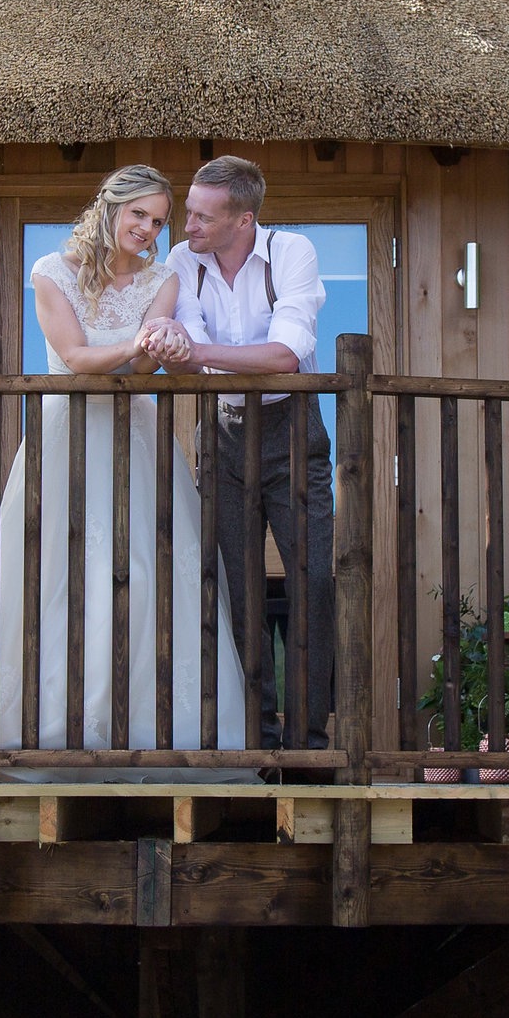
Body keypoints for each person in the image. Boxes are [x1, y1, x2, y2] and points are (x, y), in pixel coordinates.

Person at [0, 164, 249, 767]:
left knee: (147, 571)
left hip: (133, 435)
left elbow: (143, 370)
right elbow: (75, 356)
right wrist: (138, 342)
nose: (148, 229)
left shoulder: (162, 280)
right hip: (66, 435)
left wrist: (160, 346)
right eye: (139, 214)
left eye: (159, 221)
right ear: (110, 207)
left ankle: (150, 725)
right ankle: (41, 720)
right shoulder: (51, 272)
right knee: (50, 569)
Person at [141, 155, 334, 748]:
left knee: (313, 584)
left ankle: (309, 740)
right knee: (237, 588)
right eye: (188, 212)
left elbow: (285, 355)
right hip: (222, 431)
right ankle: (258, 737)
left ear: (243, 220)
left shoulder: (292, 252)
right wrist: (185, 351)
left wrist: (198, 352)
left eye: (202, 216)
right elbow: (188, 356)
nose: (187, 225)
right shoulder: (183, 261)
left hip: (292, 427)